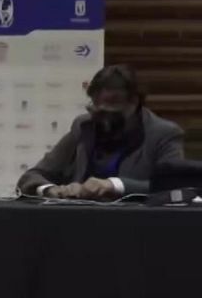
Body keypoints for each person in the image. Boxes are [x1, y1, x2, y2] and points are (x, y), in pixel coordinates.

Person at [18, 65, 186, 201]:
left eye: (112, 103)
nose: (102, 109)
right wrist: (50, 189)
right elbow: (32, 176)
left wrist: (114, 185)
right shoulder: (84, 126)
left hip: (136, 226)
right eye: (97, 103)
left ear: (134, 102)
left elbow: (175, 188)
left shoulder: (164, 133)